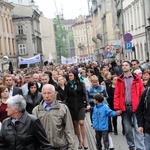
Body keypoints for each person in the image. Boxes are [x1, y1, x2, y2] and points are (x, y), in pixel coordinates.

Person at [32, 84, 75, 150]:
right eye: (44, 93)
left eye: (49, 93)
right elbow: (34, 132)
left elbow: (69, 129)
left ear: (55, 94)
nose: (47, 96)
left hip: (60, 146)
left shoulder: (63, 108)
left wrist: (71, 147)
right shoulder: (36, 110)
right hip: (43, 147)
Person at [114, 60, 145, 150]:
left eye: (126, 65)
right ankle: (131, 146)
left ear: (130, 67)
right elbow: (117, 94)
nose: (124, 66)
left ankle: (140, 148)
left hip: (136, 107)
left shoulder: (136, 78)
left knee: (138, 129)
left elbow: (141, 92)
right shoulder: (119, 80)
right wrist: (117, 108)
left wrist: (142, 106)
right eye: (123, 65)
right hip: (124, 108)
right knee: (127, 130)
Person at [66, 70, 88, 149]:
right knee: (76, 123)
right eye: (69, 76)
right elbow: (67, 96)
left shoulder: (81, 84)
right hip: (72, 106)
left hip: (80, 105)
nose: (70, 77)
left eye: (71, 75)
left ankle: (85, 141)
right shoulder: (68, 85)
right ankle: (80, 141)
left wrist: (87, 104)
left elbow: (85, 94)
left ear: (75, 76)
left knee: (81, 122)